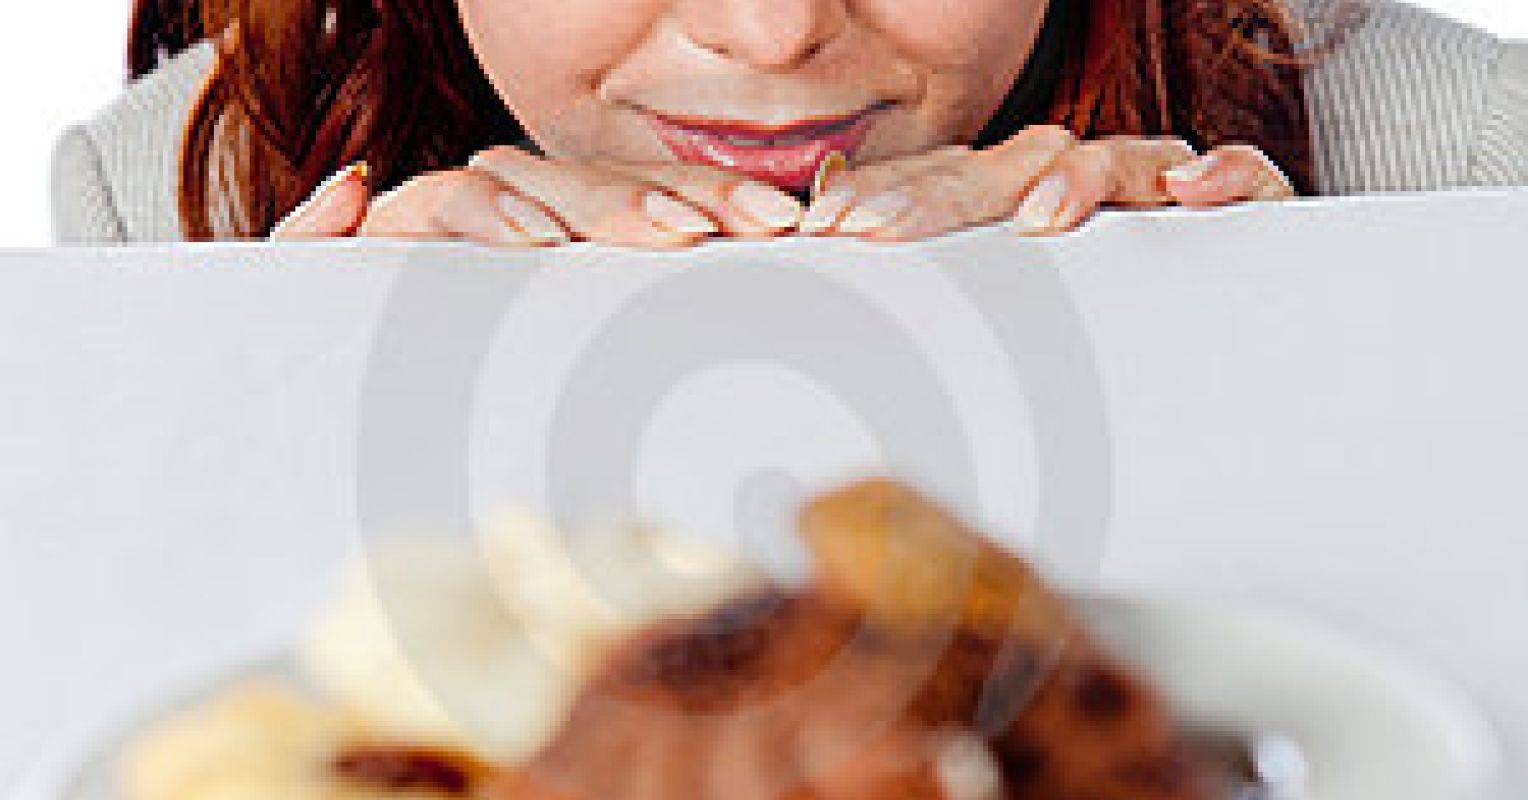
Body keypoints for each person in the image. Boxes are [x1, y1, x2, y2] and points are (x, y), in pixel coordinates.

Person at [52, 0, 1528, 247]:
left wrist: (1294, 368)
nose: (771, 35)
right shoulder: (177, 199)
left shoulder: (1462, 161)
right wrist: (298, 424)